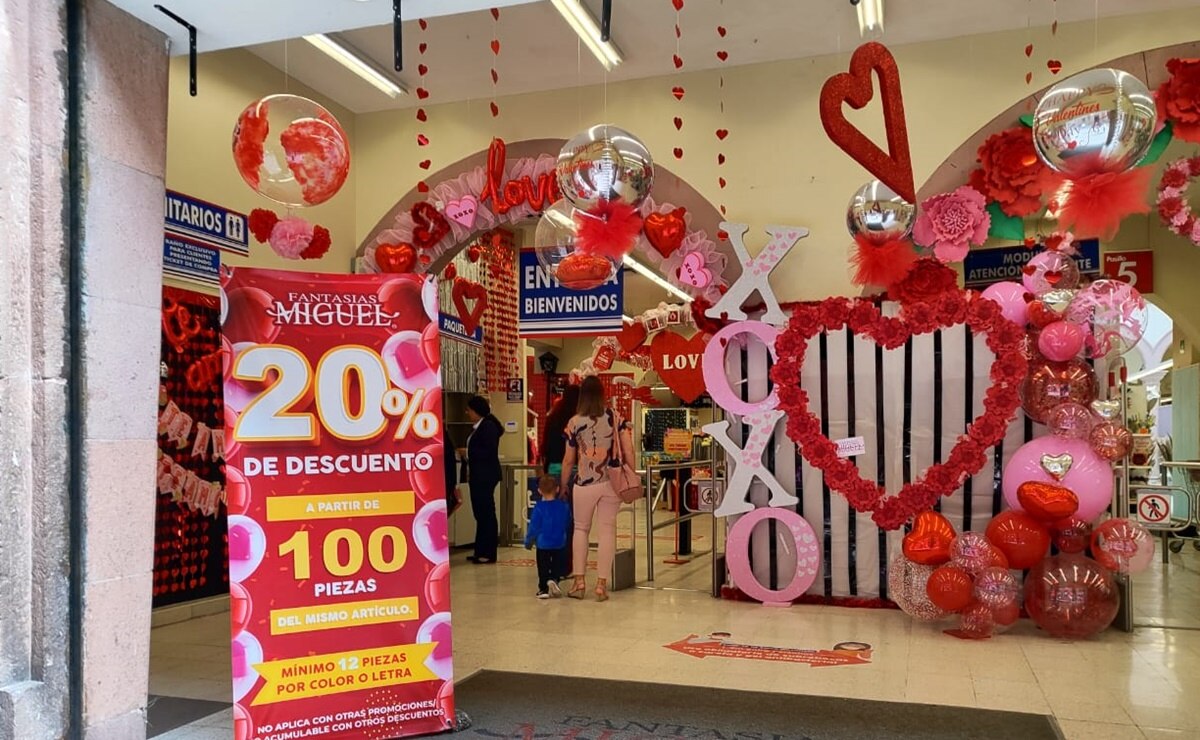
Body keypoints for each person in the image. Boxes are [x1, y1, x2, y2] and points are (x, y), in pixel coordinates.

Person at [560, 376, 634, 602]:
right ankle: (601, 585)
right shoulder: (614, 417)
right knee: (607, 530)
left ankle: (579, 582)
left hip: (584, 483)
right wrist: (631, 473)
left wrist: (563, 484)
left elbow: (568, 460)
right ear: (602, 394)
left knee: (581, 529)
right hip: (611, 483)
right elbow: (628, 450)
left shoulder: (574, 422)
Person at [539, 384, 581, 577]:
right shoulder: (578, 420)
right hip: (573, 472)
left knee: (551, 520)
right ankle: (565, 566)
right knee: (570, 522)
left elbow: (544, 447)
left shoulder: (553, 417)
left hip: (552, 471)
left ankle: (549, 564)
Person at [465, 395, 503, 564]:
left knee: (486, 513)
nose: (467, 413)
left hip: (485, 476)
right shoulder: (481, 427)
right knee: (480, 514)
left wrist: (466, 454)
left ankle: (488, 552)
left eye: (469, 410)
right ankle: (480, 549)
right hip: (479, 475)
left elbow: (488, 451)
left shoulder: (487, 427)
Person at [523, 476, 571, 599]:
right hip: (559, 542)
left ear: (539, 491)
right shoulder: (564, 506)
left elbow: (534, 526)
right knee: (557, 564)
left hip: (543, 543)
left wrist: (528, 541)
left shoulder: (539, 508)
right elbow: (568, 521)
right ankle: (554, 579)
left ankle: (543, 588)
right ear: (557, 489)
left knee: (543, 566)